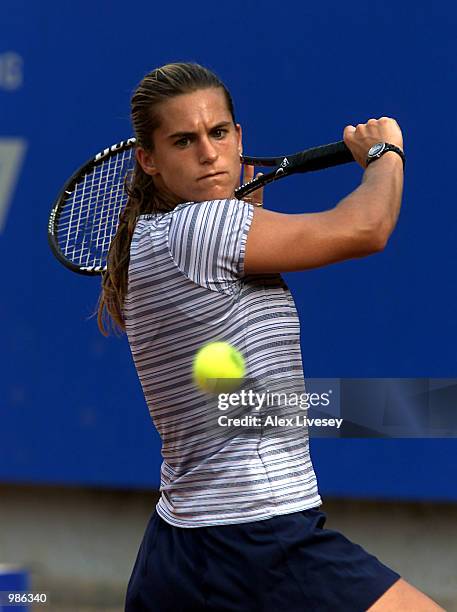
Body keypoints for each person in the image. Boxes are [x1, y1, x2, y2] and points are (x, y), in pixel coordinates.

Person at [97, 63, 443, 611]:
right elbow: (366, 228)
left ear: (239, 140)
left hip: (179, 546)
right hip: (256, 537)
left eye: (218, 133)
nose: (208, 154)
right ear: (149, 160)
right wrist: (385, 154)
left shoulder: (151, 239)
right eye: (183, 141)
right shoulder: (204, 229)